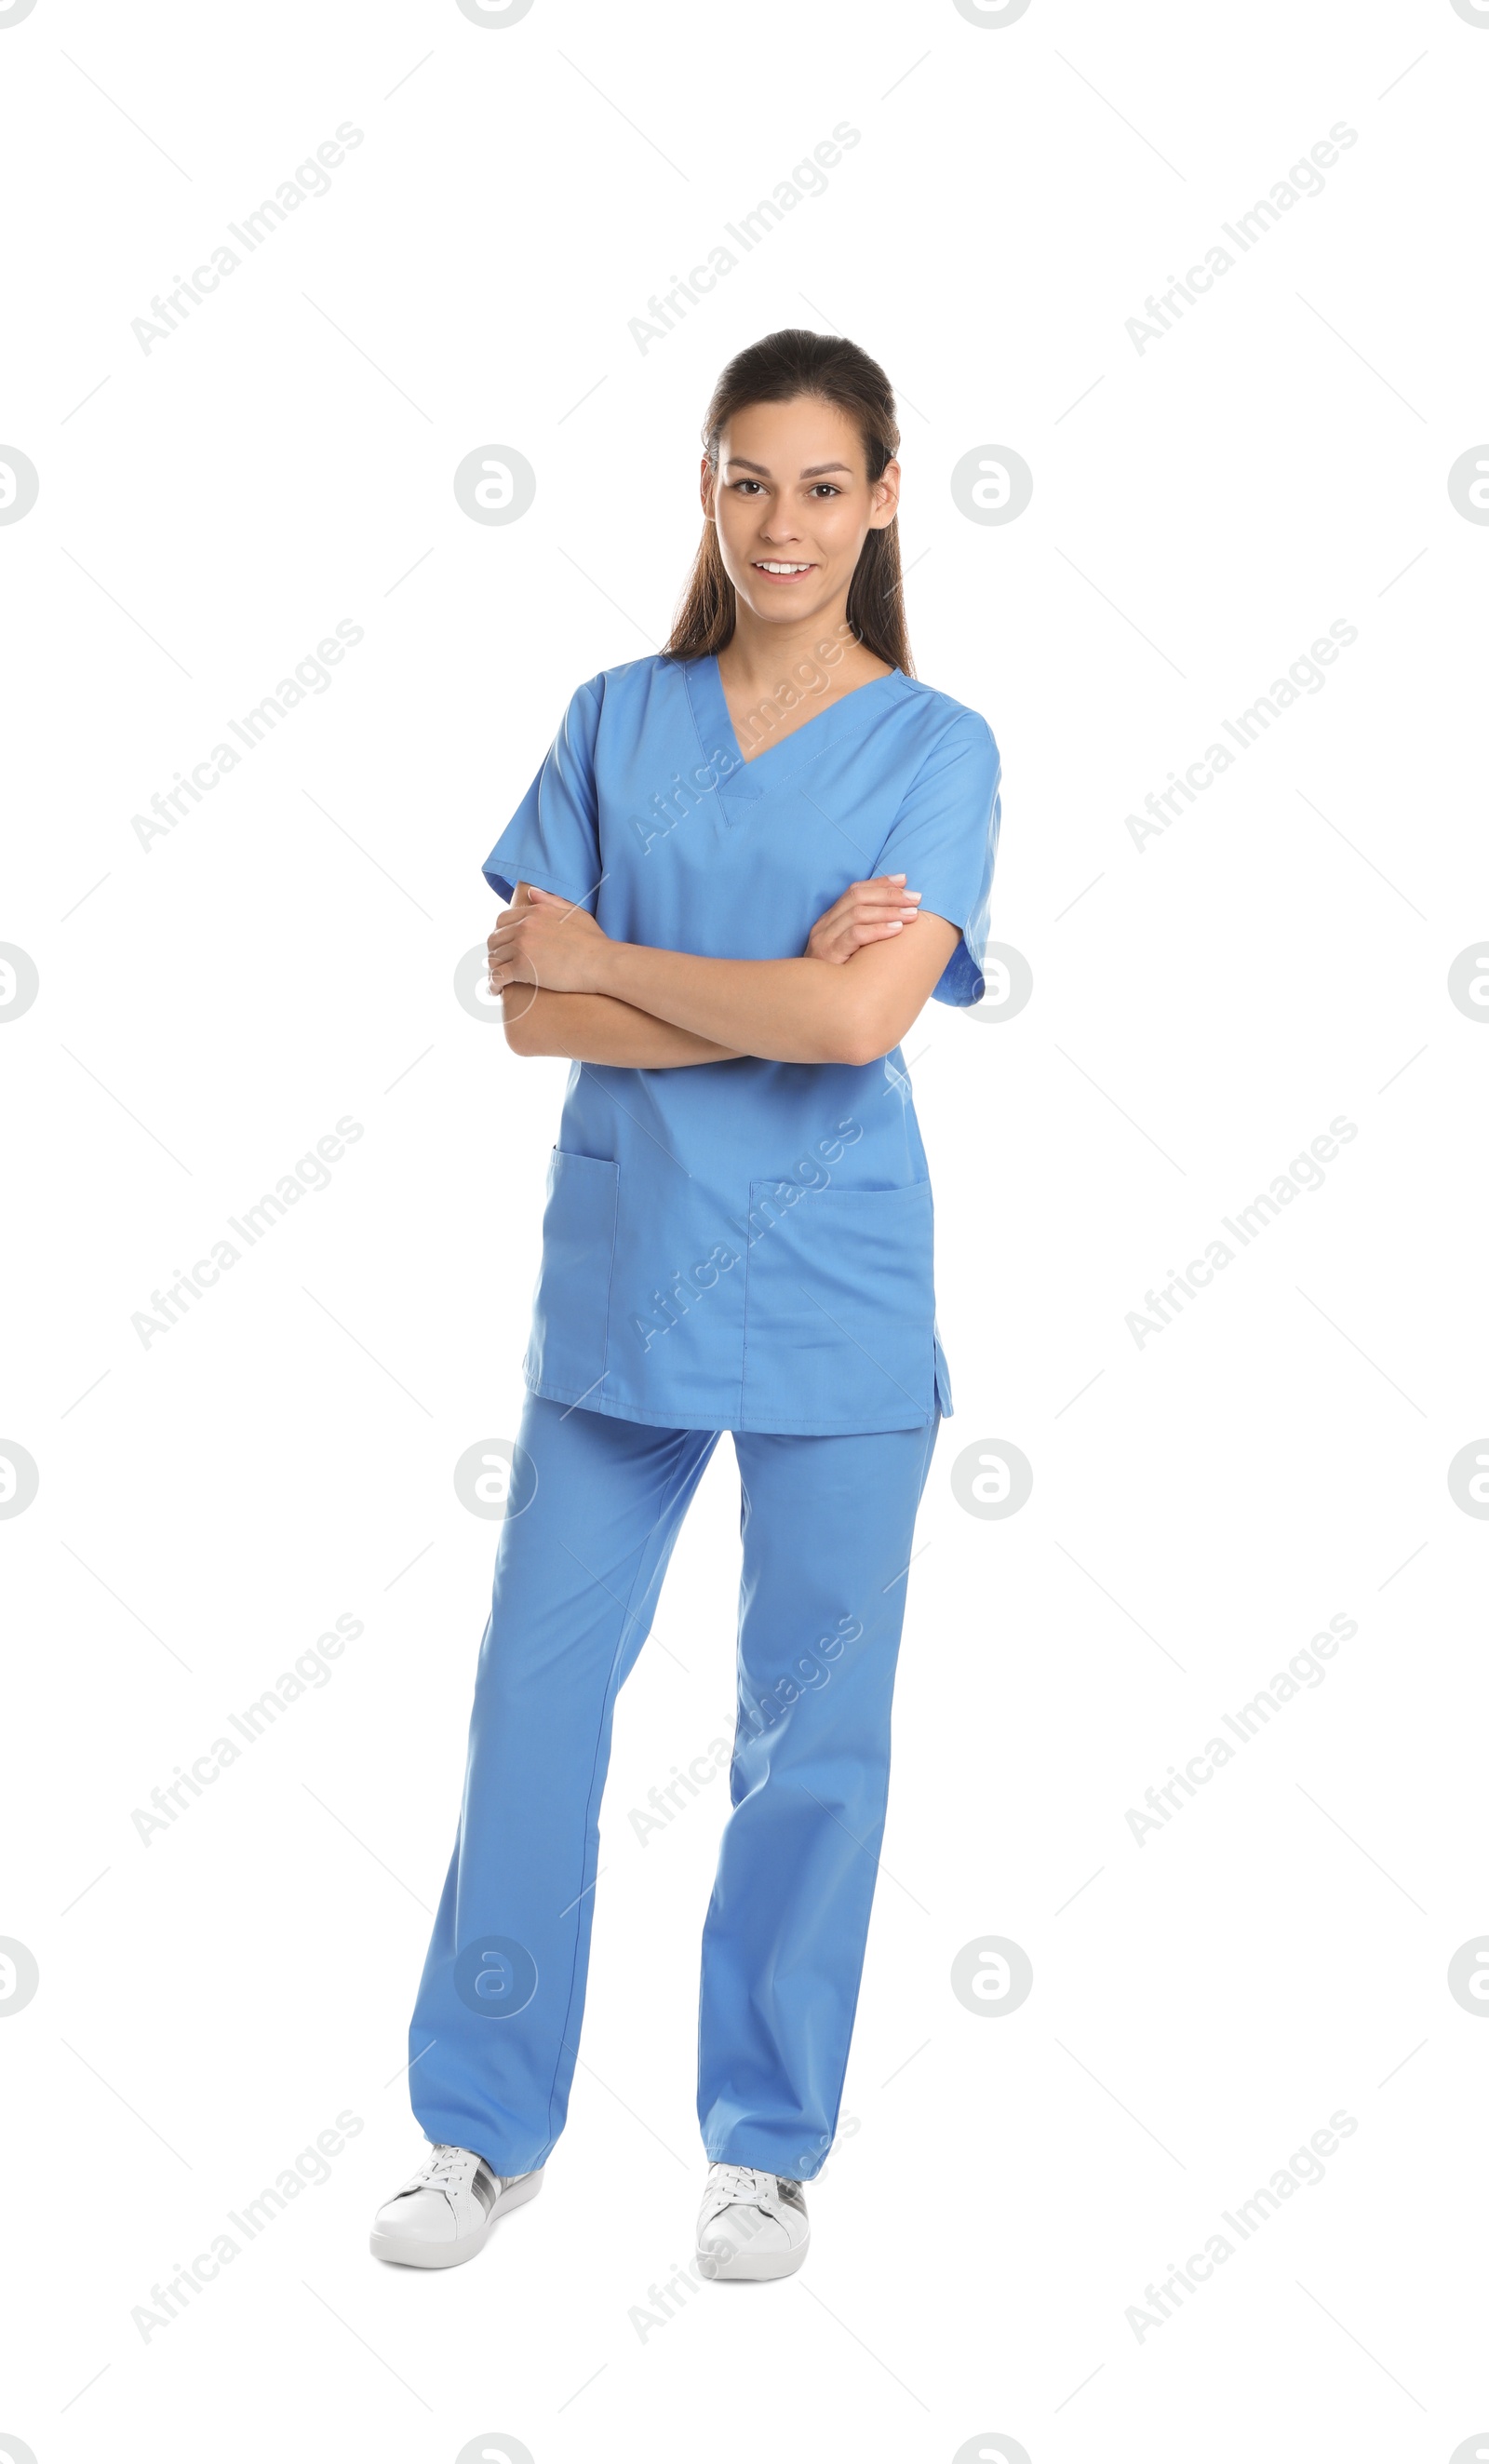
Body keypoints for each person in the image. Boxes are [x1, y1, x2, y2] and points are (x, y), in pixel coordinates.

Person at [369, 328, 1001, 2282]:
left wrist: (628, 964)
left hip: (831, 1301)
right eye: (748, 481)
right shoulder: (611, 718)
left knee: (805, 1739)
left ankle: (762, 2142)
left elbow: (851, 1018)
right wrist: (731, 992)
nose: (782, 522)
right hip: (624, 1293)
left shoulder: (937, 747)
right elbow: (523, 1010)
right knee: (532, 1708)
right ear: (704, 493)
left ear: (881, 499)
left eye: (822, 485)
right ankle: (482, 2131)